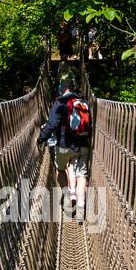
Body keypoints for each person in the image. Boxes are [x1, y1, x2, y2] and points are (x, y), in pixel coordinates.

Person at [37, 67, 93, 222]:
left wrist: (41, 139)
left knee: (60, 169)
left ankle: (68, 195)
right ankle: (81, 208)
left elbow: (52, 124)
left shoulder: (60, 102)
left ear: (62, 88)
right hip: (83, 145)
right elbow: (90, 125)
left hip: (64, 144)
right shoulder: (83, 102)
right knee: (82, 175)